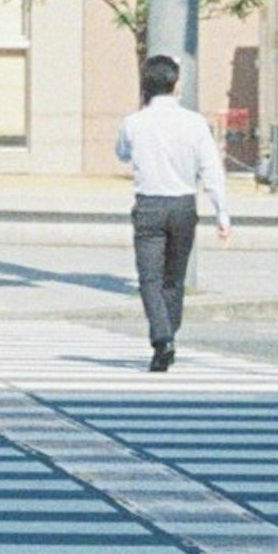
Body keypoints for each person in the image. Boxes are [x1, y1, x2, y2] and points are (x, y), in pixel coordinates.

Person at [114, 52, 232, 370]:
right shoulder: (194, 123)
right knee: (174, 279)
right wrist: (222, 214)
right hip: (183, 204)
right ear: (176, 84)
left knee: (149, 279)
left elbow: (121, 153)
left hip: (149, 205)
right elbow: (211, 170)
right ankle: (169, 336)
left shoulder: (133, 123)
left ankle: (162, 338)